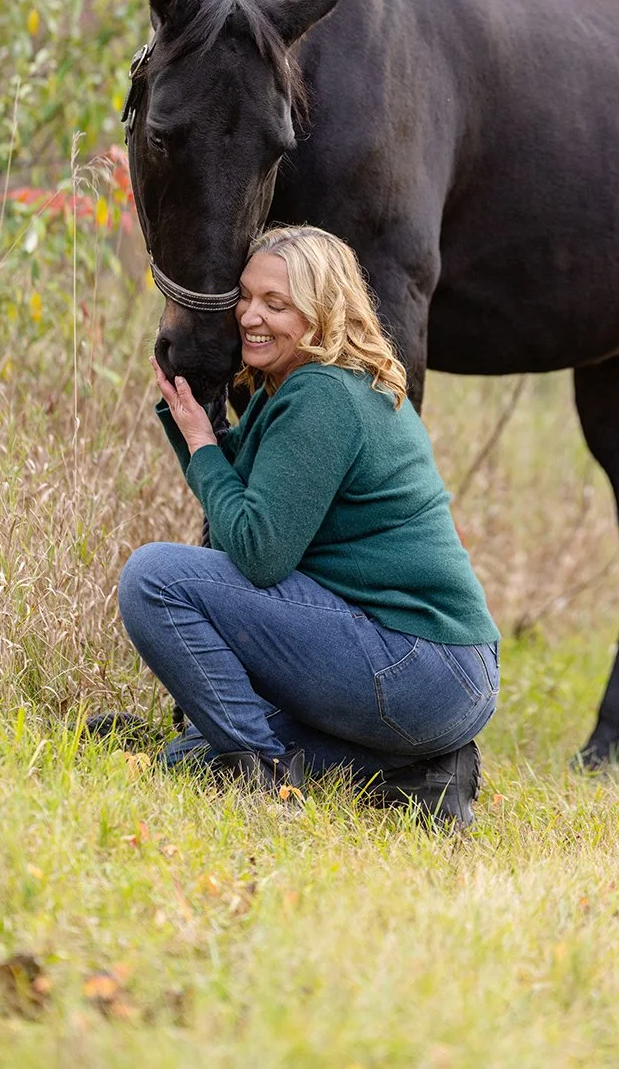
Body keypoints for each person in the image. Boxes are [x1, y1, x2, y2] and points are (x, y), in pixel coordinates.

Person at [117, 224, 500, 827]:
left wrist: (200, 442)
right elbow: (240, 492)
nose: (250, 316)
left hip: (420, 662)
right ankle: (422, 776)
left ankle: (263, 777)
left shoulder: (322, 394)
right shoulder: (306, 385)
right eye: (245, 296)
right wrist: (192, 422)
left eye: (276, 303)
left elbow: (258, 551)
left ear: (321, 313)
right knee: (190, 756)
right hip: (438, 675)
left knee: (154, 577)